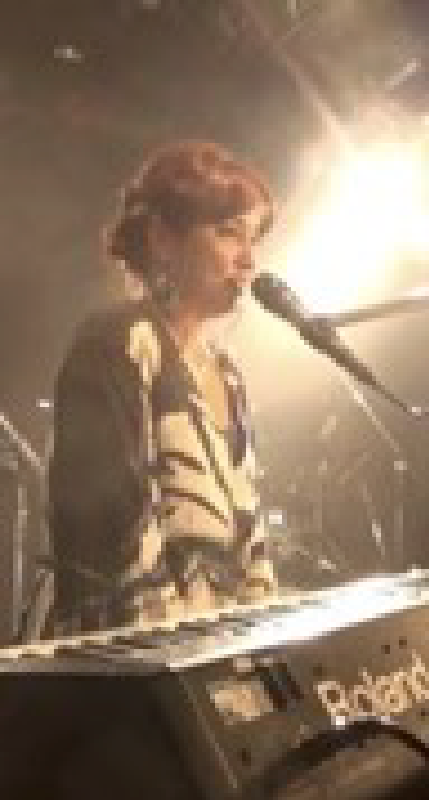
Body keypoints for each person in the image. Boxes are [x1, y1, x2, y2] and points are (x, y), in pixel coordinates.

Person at [47, 140, 278, 635]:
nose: (248, 260)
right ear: (162, 239)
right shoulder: (117, 343)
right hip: (133, 655)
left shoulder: (228, 372)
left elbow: (249, 537)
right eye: (228, 233)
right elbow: (113, 540)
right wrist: (181, 651)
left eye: (254, 238)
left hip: (214, 645)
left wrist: (263, 636)